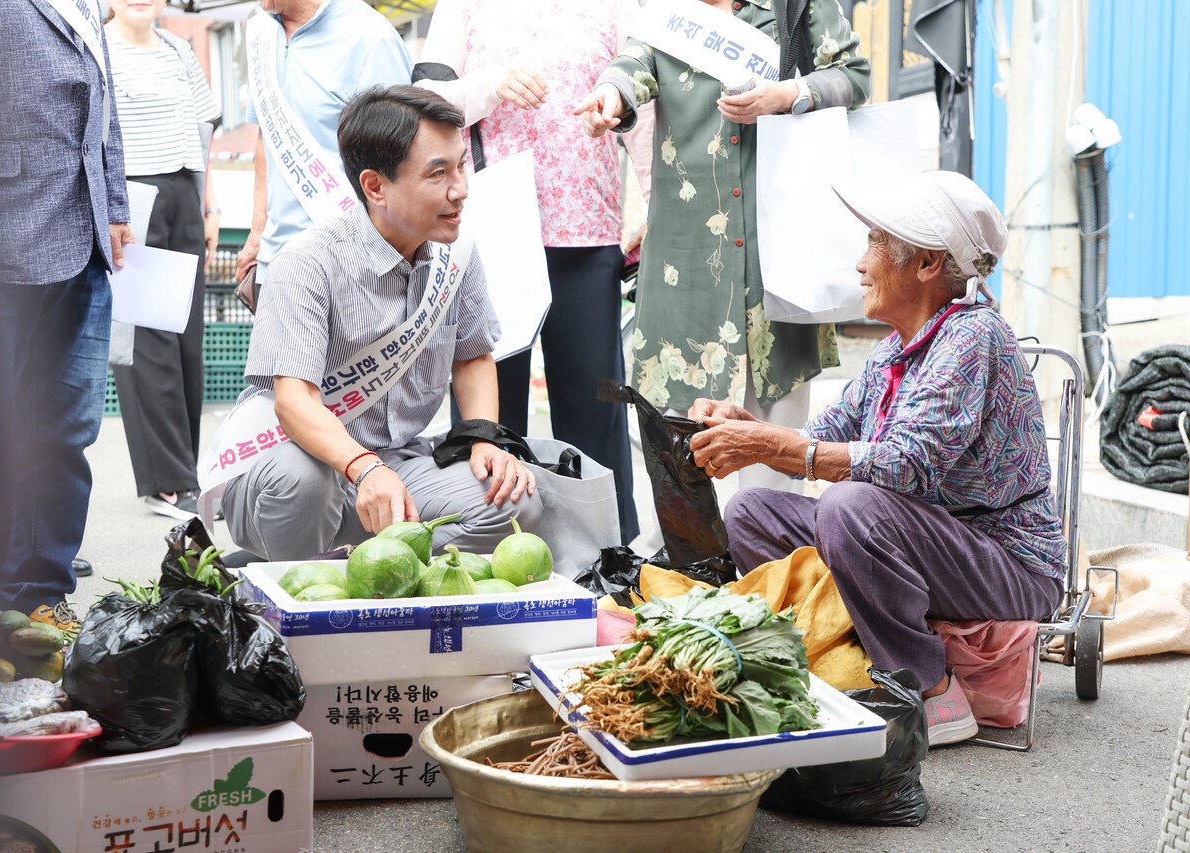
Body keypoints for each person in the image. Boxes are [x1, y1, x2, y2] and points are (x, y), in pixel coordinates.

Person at [687, 171, 1067, 746]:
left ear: (928, 264)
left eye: (874, 245)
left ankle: (931, 690)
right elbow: (826, 434)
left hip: (1007, 564)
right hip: (922, 548)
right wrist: (751, 428)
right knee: (750, 512)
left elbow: (907, 465)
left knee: (850, 508)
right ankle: (845, 658)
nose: (860, 264)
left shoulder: (973, 336)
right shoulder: (894, 349)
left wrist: (778, 447)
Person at [219, 85, 542, 561]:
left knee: (515, 500)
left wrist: (481, 436)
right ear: (375, 187)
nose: (460, 189)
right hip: (292, 463)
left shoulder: (458, 253)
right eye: (437, 173)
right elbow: (293, 404)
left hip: (397, 463)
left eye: (460, 166)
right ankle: (291, 578)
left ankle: (366, 566)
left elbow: (472, 355)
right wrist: (364, 468)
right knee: (305, 483)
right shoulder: (307, 263)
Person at [575, 0, 869, 494]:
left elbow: (854, 77)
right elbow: (632, 67)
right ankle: (691, 566)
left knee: (773, 466)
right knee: (681, 456)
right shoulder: (669, 13)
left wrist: (787, 94)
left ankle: (769, 564)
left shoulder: (795, 6)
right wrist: (611, 95)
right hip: (684, 261)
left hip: (776, 256)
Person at [413, 0, 653, 545]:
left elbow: (645, 101)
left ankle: (610, 555)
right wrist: (490, 85)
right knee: (491, 417)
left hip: (587, 232)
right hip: (493, 236)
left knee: (595, 413)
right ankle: (490, 544)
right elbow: (423, 102)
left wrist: (653, 204)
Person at [0, 0, 134, 627]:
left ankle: (38, 590)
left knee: (65, 432)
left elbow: (105, 107)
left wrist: (114, 204)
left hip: (81, 237)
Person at [105, 0, 222, 519]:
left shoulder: (180, 49)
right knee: (147, 340)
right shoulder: (99, 48)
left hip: (184, 193)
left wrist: (209, 203)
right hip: (131, 199)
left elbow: (203, 133)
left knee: (185, 338)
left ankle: (185, 472)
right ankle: (168, 481)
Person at [233, 0, 412, 291]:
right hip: (274, 261)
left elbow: (399, 163)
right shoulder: (261, 31)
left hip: (346, 267)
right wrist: (257, 232)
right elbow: (265, 137)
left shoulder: (372, 38)